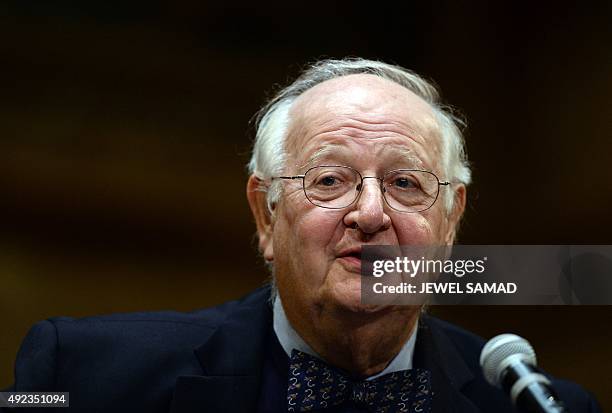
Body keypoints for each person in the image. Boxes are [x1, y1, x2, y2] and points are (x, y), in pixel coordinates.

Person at [5, 58, 601, 412]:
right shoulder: (82, 377)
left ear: (450, 223)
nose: (370, 213)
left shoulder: (539, 406)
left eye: (406, 183)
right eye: (330, 179)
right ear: (266, 216)